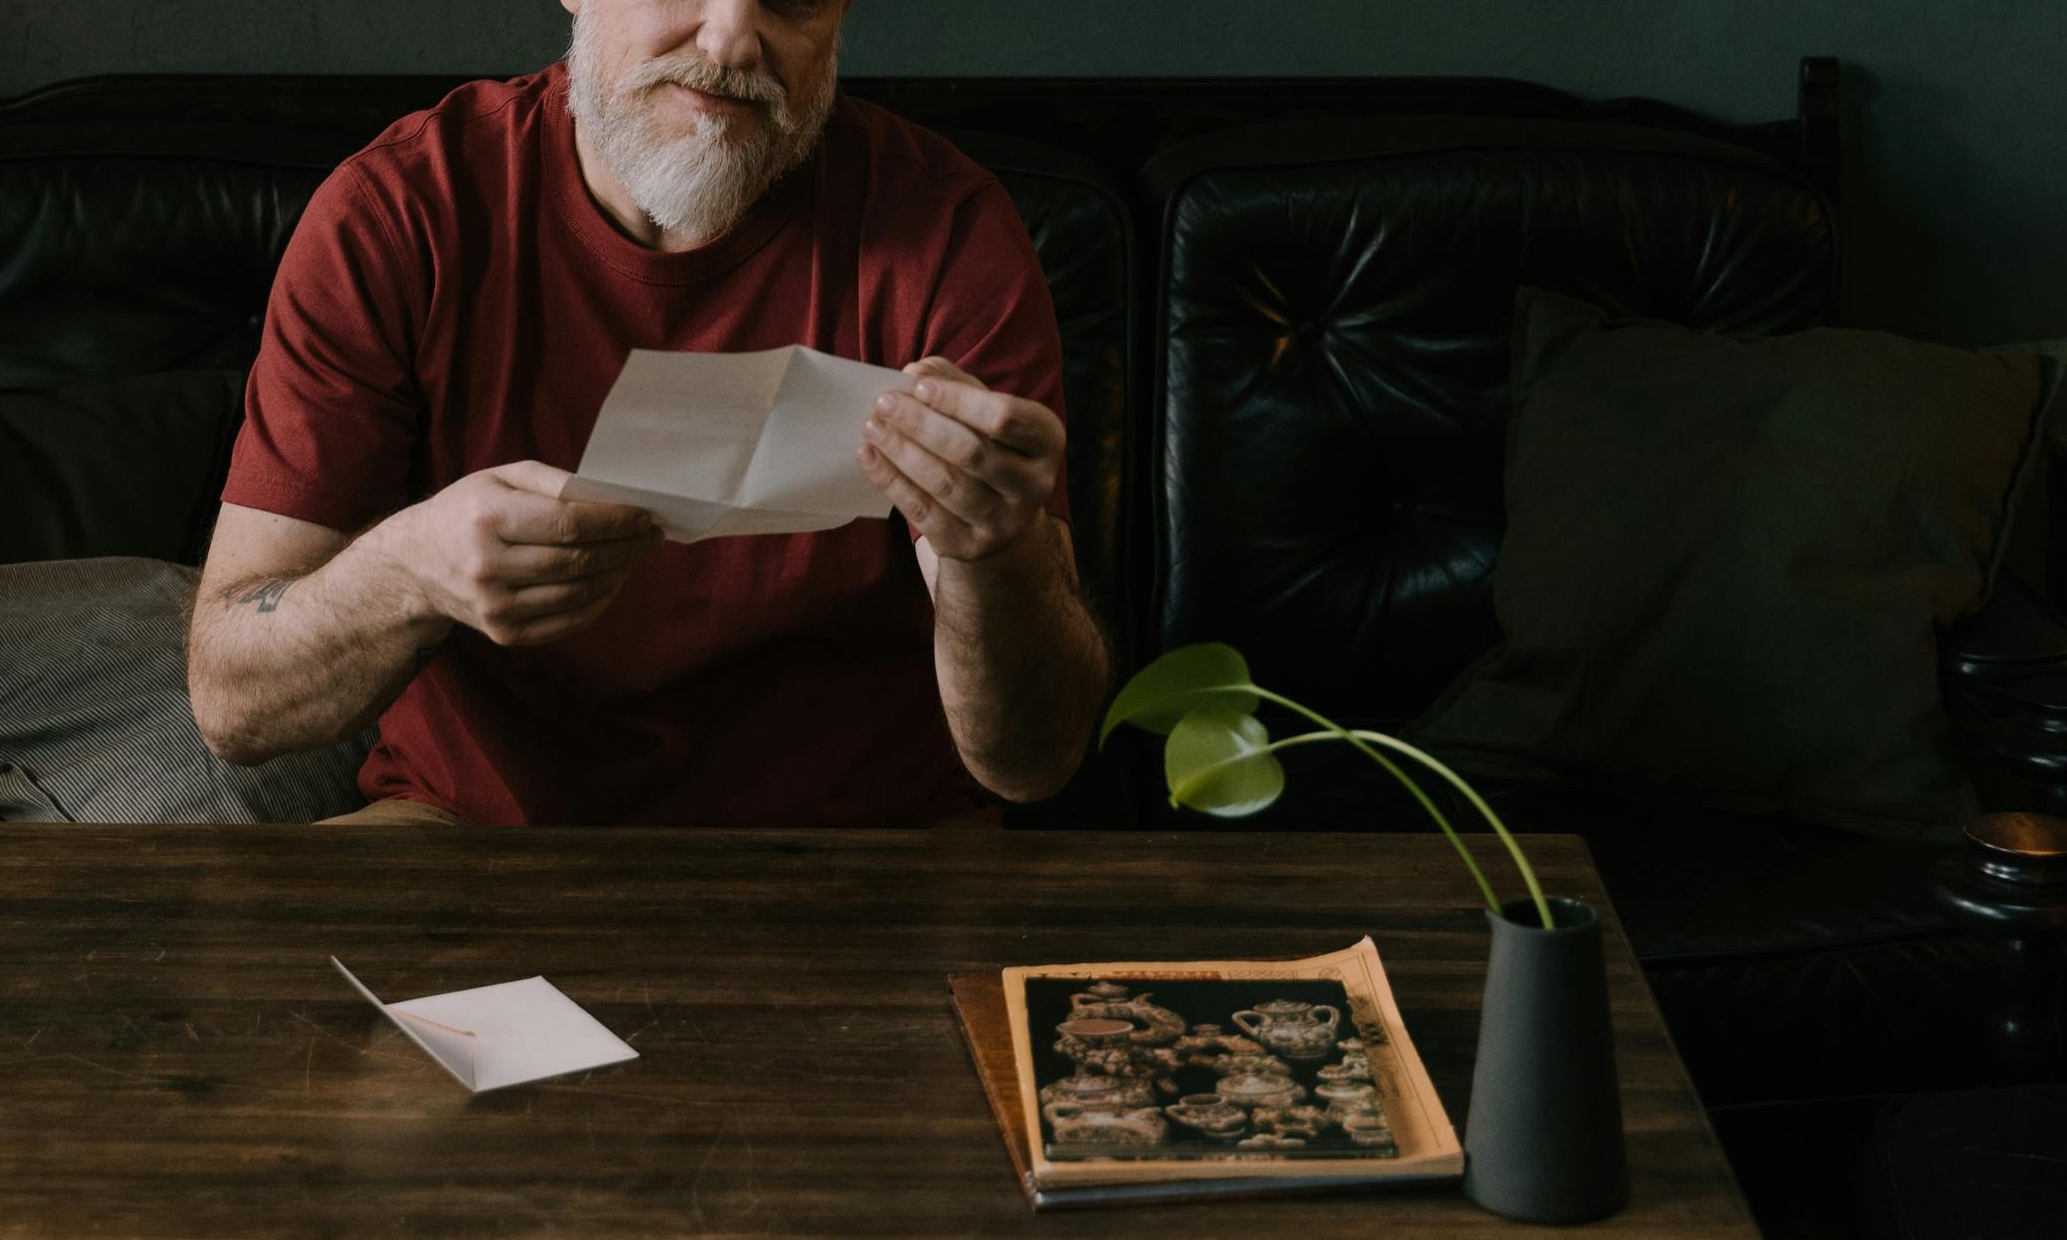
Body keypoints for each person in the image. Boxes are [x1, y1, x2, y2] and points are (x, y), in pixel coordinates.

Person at [185, 0, 1110, 827]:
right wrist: (410, 571)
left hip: (861, 852)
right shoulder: (398, 211)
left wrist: (996, 549)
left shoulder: (945, 230)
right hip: (470, 834)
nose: (732, 35)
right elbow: (233, 706)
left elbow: (1031, 766)